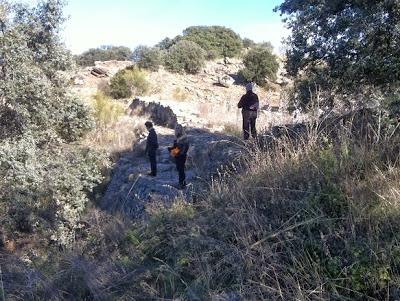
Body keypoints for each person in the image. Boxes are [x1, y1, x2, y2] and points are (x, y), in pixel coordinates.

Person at [168, 124, 189, 189]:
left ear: (181, 129)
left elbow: (185, 147)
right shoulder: (176, 137)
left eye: (179, 128)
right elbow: (176, 147)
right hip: (178, 156)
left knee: (181, 170)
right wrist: (171, 149)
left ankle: (183, 185)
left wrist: (178, 152)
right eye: (176, 128)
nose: (177, 129)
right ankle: (181, 183)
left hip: (182, 156)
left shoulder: (184, 137)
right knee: (179, 170)